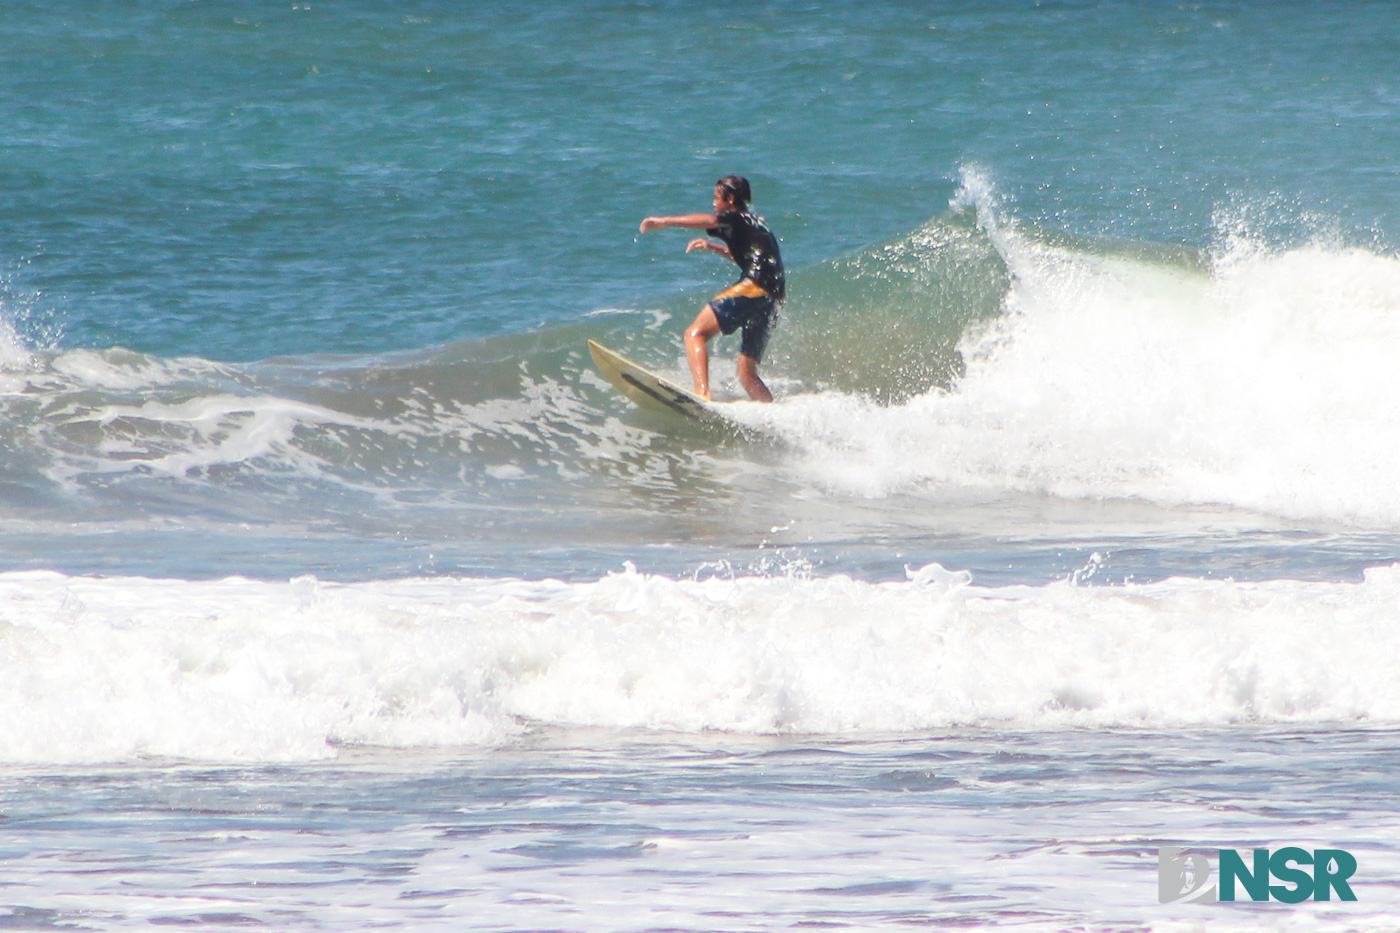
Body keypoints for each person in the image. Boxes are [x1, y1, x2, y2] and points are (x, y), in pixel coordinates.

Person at [639, 175, 784, 402]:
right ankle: (771, 415)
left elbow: (710, 220)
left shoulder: (733, 217)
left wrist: (665, 221)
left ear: (731, 198)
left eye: (717, 197)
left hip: (755, 285)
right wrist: (713, 247)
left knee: (694, 334)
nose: (714, 203)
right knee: (746, 373)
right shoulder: (757, 222)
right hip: (773, 296)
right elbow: (752, 258)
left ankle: (703, 395)